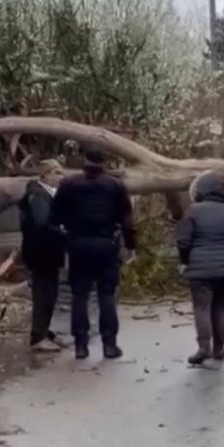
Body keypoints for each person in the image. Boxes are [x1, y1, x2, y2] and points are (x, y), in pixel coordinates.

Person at [51, 149, 136, 360]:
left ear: (84, 161)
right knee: (106, 295)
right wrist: (131, 245)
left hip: (78, 244)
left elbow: (54, 216)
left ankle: (81, 345)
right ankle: (109, 345)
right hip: (106, 245)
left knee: (79, 295)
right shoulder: (115, 185)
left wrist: (66, 237)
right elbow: (126, 219)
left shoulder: (69, 184)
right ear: (103, 163)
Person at [176, 171, 224, 365]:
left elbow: (183, 242)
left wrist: (184, 262)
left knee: (202, 307)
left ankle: (203, 347)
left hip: (199, 270)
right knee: (219, 308)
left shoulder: (192, 211)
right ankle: (219, 348)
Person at [19, 159, 67, 353]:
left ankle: (45, 331)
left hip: (47, 252)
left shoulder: (47, 194)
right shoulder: (39, 195)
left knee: (51, 292)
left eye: (62, 173)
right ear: (45, 175)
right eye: (56, 172)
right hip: (40, 252)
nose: (60, 177)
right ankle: (37, 336)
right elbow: (41, 222)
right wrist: (63, 231)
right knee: (43, 293)